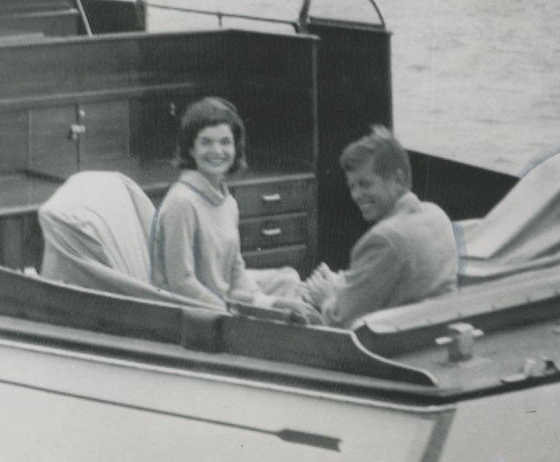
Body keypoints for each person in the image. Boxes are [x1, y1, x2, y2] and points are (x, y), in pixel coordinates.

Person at [150, 97, 309, 316]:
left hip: (223, 300)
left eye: (225, 142)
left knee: (288, 282)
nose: (217, 151)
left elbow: (235, 271)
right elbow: (182, 284)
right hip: (192, 314)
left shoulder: (228, 202)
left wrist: (263, 303)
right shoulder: (181, 202)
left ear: (235, 147)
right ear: (190, 149)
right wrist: (234, 311)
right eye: (206, 142)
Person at [303, 126, 458, 327]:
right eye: (352, 186)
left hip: (391, 344)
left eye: (365, 184)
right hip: (433, 329)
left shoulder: (384, 239)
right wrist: (341, 285)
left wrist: (325, 297)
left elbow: (339, 319)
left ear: (399, 179)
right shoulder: (437, 215)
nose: (356, 195)